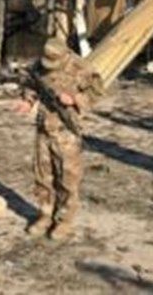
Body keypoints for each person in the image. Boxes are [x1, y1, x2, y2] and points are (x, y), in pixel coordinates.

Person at [15, 38, 103, 240]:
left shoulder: (81, 68)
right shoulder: (40, 65)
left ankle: (64, 220)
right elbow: (31, 84)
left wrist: (75, 100)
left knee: (67, 178)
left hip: (66, 131)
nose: (49, 66)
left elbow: (97, 92)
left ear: (65, 55)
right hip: (44, 127)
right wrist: (28, 101)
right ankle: (45, 214)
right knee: (42, 176)